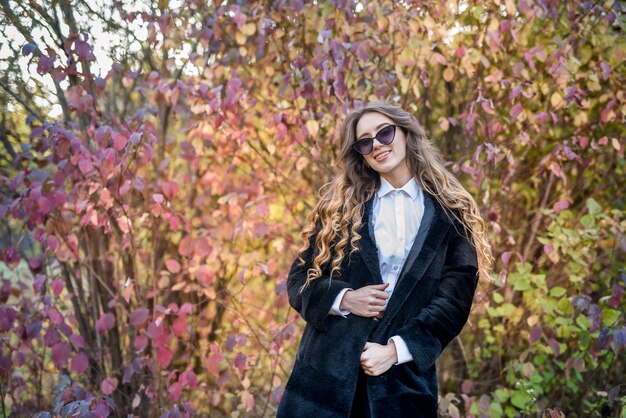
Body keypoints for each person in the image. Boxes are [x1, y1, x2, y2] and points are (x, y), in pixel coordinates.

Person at [277, 101, 493, 418]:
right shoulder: (341, 207)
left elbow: (453, 302)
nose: (377, 145)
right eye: (365, 141)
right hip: (324, 380)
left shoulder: (450, 214)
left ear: (405, 133)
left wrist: (394, 351)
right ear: (360, 153)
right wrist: (345, 299)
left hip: (401, 385)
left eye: (385, 133)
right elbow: (299, 281)